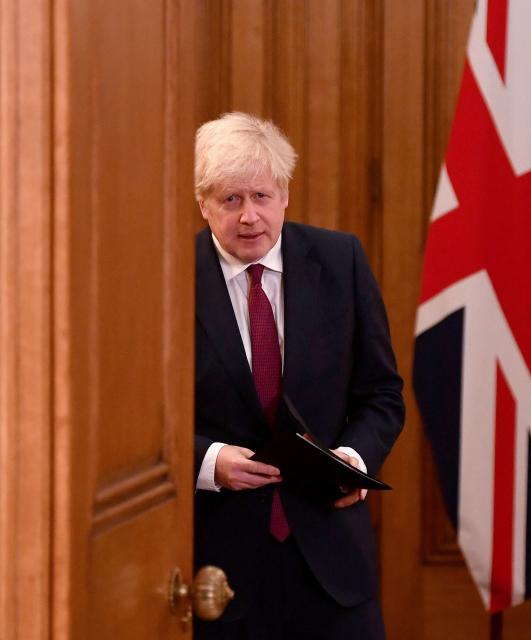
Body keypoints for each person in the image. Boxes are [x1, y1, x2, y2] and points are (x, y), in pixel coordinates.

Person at [192, 111, 404, 639]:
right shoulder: (169, 274)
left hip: (331, 558)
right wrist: (208, 460)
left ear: (285, 194)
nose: (249, 217)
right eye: (230, 199)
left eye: (261, 196)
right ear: (203, 204)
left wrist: (352, 461)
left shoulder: (341, 260)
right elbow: (133, 416)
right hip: (218, 565)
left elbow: (381, 394)